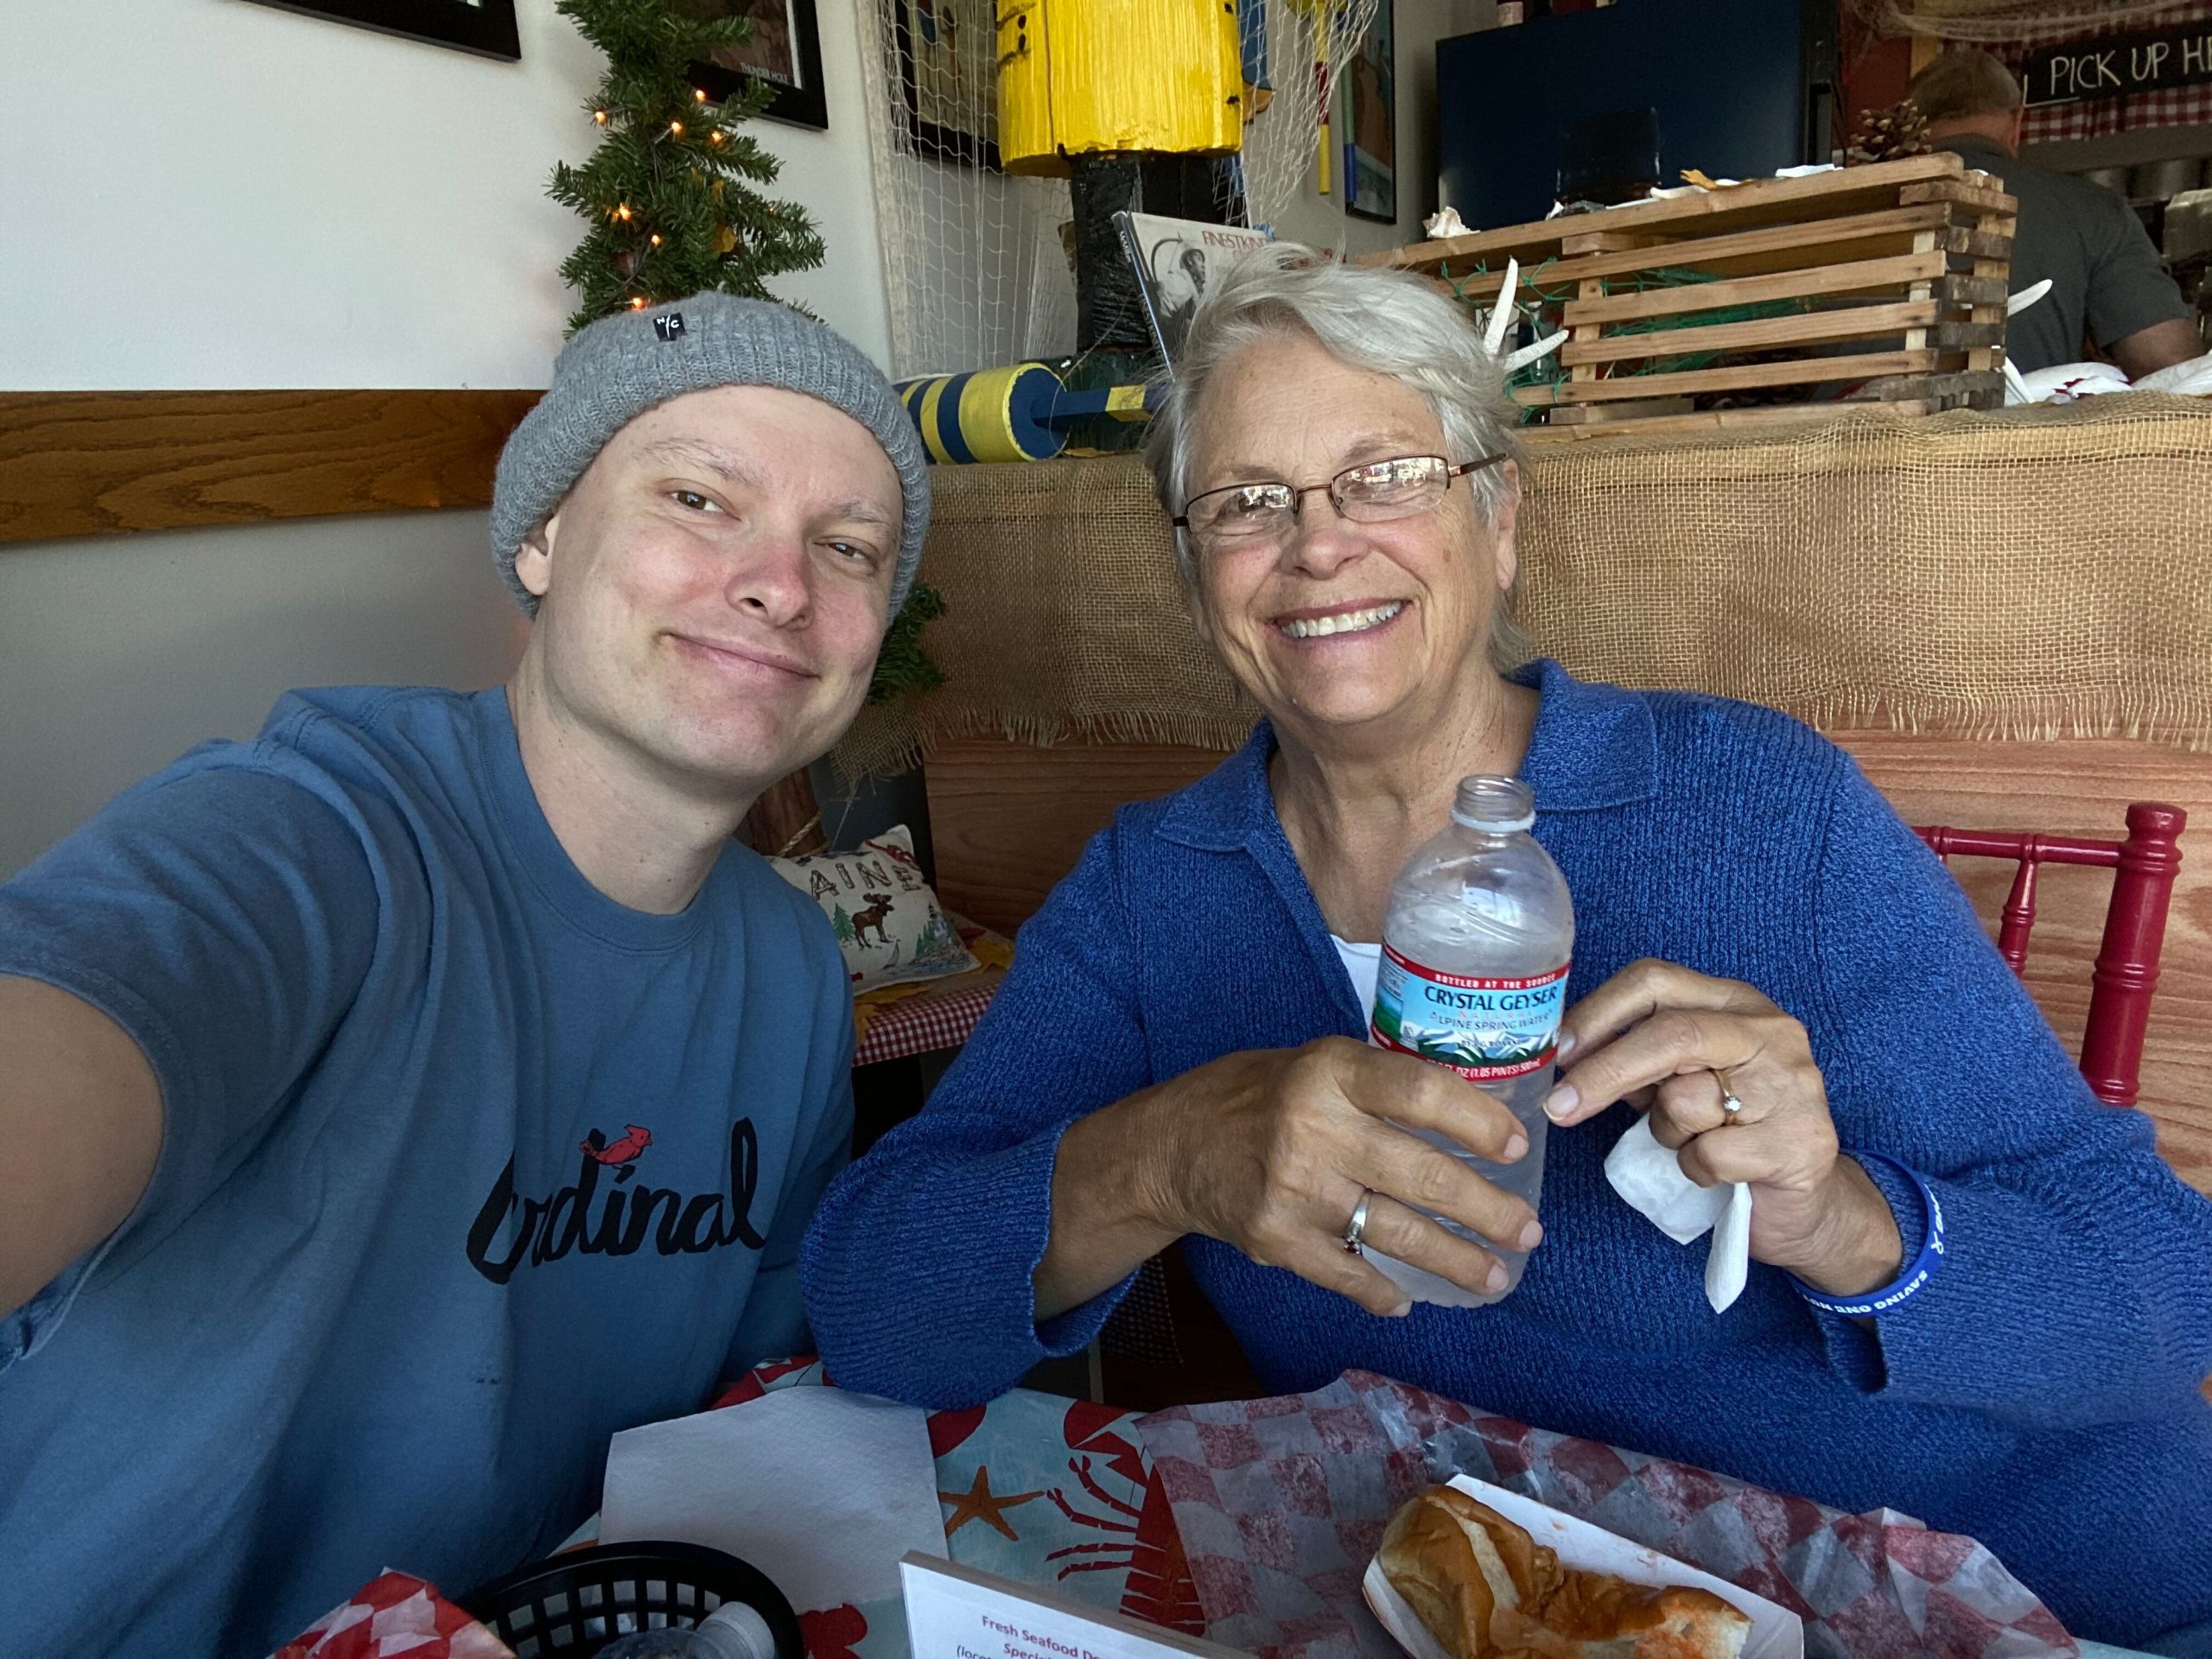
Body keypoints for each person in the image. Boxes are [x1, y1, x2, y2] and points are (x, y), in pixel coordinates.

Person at [800, 249, 2212, 1654]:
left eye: (1388, 475)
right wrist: (1168, 1157)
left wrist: (1842, 1218)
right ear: (1191, 579)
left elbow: (2163, 1290)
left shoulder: (1758, 810)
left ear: (1499, 519)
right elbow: (875, 1310)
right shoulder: (1154, 893)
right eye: (1245, 503)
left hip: (2006, 1596)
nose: (1319, 542)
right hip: (1510, 1609)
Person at [0, 295, 929, 1655]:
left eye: (847, 547)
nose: (780, 584)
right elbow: (84, 1021)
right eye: (697, 497)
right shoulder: (318, 833)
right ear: (544, 537)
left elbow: (753, 1415)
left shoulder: (792, 967)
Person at [1911, 48, 2201, 378]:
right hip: (2019, 428)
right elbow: (2171, 365)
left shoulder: (1854, 212)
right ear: (2017, 121)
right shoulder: (2094, 212)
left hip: (1855, 426)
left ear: (1913, 123)